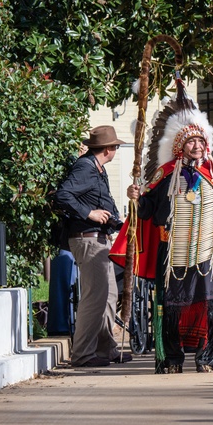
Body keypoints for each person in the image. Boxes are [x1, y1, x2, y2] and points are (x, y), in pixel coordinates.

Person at [119, 90, 213, 373]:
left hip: (208, 254)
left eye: (201, 140)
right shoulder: (164, 174)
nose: (197, 145)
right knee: (173, 308)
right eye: (191, 141)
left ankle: (208, 357)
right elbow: (148, 211)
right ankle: (172, 359)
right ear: (180, 146)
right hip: (172, 252)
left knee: (211, 307)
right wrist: (136, 197)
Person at [53, 125, 132, 368]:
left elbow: (102, 203)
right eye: (116, 147)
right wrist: (90, 213)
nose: (116, 150)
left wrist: (120, 224)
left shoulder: (97, 170)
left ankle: (104, 348)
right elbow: (63, 195)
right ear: (109, 149)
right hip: (87, 239)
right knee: (93, 298)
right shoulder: (85, 168)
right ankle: (83, 354)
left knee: (109, 296)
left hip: (98, 240)